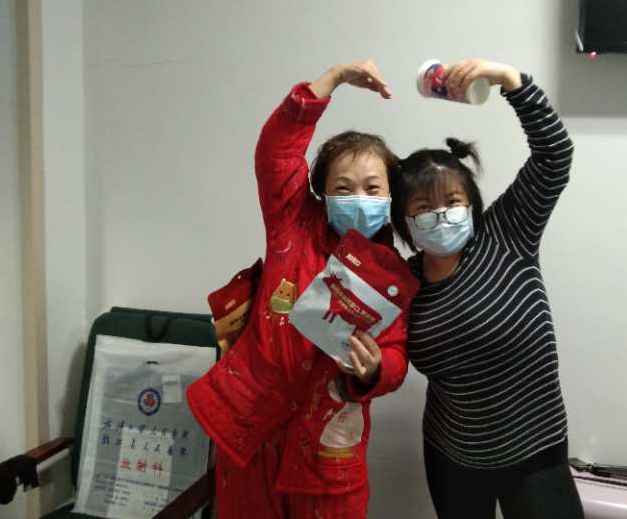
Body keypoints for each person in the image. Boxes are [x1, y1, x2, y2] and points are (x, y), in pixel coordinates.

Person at [187, 60, 416, 518]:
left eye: (373, 188)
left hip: (327, 456)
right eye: (343, 188)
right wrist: (330, 81)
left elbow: (396, 354)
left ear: (391, 197)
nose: (358, 199)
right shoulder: (293, 226)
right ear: (322, 194)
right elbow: (276, 155)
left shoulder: (393, 277)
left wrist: (375, 369)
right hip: (251, 434)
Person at [391, 59, 584, 519]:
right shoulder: (402, 283)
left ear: (472, 203)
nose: (440, 213)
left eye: (452, 200)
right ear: (405, 220)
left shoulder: (506, 234)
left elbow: (555, 155)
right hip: (451, 455)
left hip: (535, 449)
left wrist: (510, 81)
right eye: (423, 206)